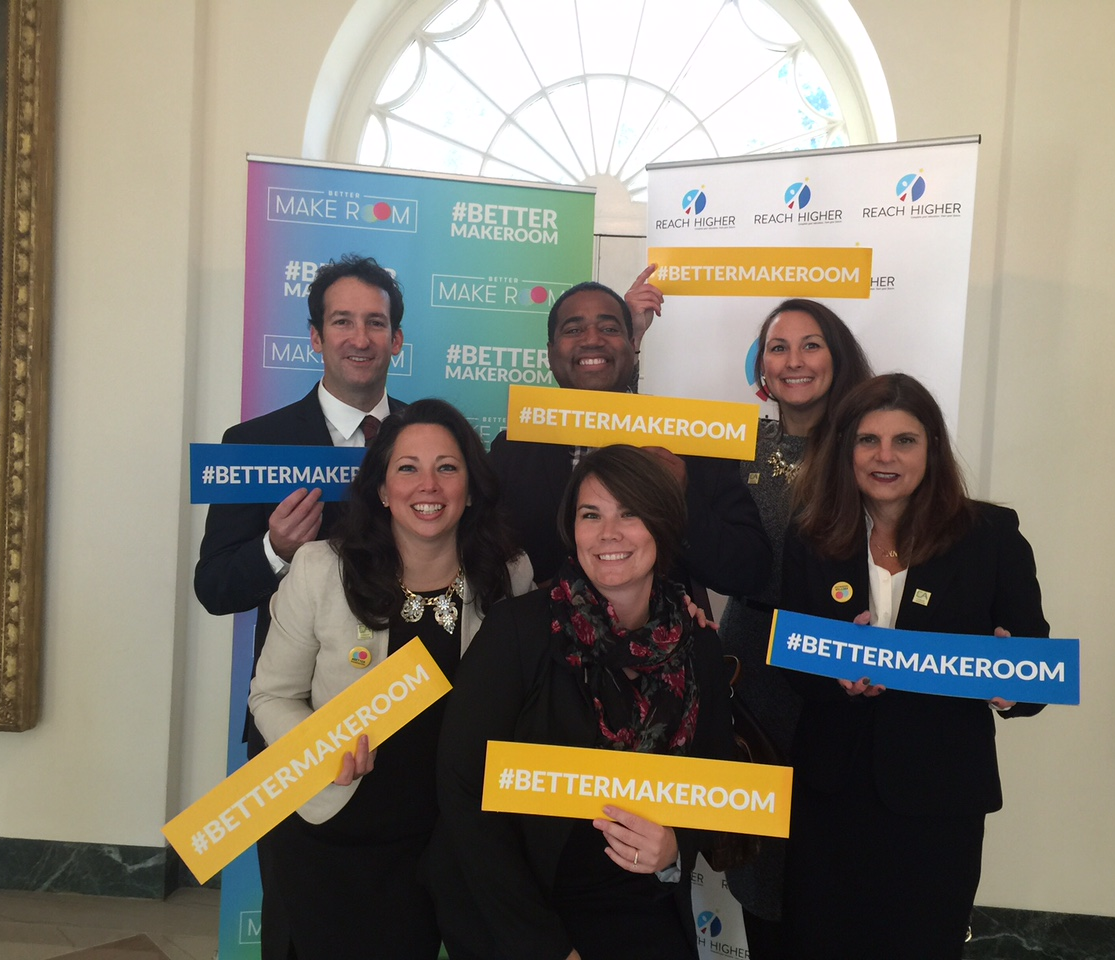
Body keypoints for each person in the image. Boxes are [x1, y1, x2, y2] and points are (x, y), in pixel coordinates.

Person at [247, 398, 534, 959]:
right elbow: (272, 695)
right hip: (341, 832)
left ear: (471, 488)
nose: (428, 484)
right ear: (382, 489)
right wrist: (319, 747)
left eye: (447, 467)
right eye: (407, 467)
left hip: (456, 837)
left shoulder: (509, 574)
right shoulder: (319, 569)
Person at [426, 445, 735, 960]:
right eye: (591, 514)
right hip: (524, 918)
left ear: (663, 524)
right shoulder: (520, 630)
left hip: (646, 909)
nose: (609, 533)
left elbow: (716, 777)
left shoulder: (696, 641)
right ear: (572, 530)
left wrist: (677, 842)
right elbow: (464, 789)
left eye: (630, 513)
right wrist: (546, 948)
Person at [777, 373, 1049, 959]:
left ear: (932, 449)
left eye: (905, 440)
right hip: (831, 797)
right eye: (867, 440)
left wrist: (1006, 682)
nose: (884, 456)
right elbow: (792, 666)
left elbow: (1035, 678)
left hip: (940, 802)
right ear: (845, 449)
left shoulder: (992, 536)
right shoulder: (810, 536)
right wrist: (834, 676)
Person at [193, 253, 407, 957]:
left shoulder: (429, 444)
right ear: (315, 337)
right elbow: (215, 587)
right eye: (341, 321)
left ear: (397, 340)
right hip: (299, 728)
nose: (359, 337)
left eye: (375, 322)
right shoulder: (252, 445)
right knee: (299, 928)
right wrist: (275, 551)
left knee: (404, 924)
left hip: (412, 725)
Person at [714, 299, 872, 956]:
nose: (795, 360)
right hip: (752, 669)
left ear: (837, 358)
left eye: (811, 345)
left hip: (843, 671)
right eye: (779, 347)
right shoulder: (728, 443)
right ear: (762, 366)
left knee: (835, 864)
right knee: (761, 868)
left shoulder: (873, 444)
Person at [489, 280, 769, 598]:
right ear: (551, 353)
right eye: (573, 330)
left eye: (609, 328)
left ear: (632, 344)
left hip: (664, 644)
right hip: (535, 641)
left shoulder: (692, 441)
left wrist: (682, 499)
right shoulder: (511, 451)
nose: (592, 340)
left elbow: (750, 573)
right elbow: (477, 558)